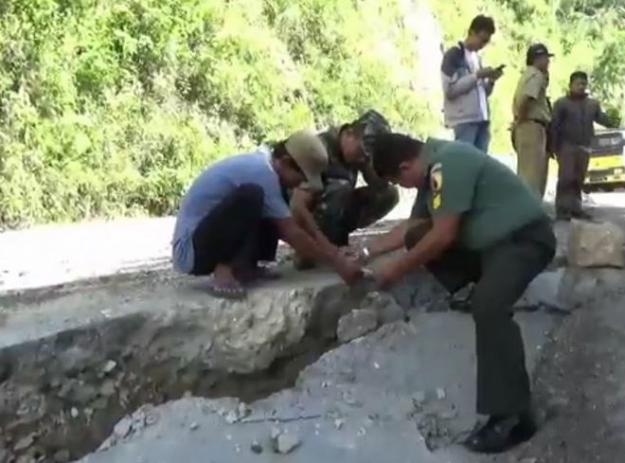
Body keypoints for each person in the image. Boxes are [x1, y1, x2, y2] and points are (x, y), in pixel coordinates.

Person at [357, 133, 556, 453]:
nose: (405, 188)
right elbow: (412, 229)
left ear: (406, 166)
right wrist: (364, 253)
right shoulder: (431, 172)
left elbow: (443, 236)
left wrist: (394, 271)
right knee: (419, 235)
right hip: (492, 248)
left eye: (399, 180)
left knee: (489, 307)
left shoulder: (449, 163)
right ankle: (479, 285)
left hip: (523, 239)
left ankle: (513, 417)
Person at [171, 131, 363, 298]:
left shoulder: (269, 169)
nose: (300, 185)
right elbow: (292, 234)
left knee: (273, 206)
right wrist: (338, 265)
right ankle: (223, 269)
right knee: (251, 196)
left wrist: (334, 253)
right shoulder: (261, 173)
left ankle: (246, 267)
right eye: (302, 178)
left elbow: (298, 225)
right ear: (287, 162)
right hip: (191, 251)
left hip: (204, 243)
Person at [289, 110, 399, 269]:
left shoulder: (357, 157)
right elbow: (297, 205)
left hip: (332, 211)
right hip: (303, 215)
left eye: (367, 156)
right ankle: (311, 250)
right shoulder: (319, 149)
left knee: (388, 194)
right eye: (362, 152)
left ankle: (337, 243)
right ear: (349, 134)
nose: (363, 158)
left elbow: (379, 185)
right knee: (340, 187)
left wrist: (367, 164)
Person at [551, 71, 618, 220]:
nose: (581, 87)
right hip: (566, 145)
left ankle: (576, 208)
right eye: (578, 84)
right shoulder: (561, 104)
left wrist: (612, 120)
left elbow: (601, 118)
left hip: (585, 146)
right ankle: (562, 210)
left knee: (578, 179)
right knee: (566, 178)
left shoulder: (592, 104)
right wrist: (553, 147)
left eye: (583, 84)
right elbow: (554, 126)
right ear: (570, 85)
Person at [441, 15, 504, 153]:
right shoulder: (454, 55)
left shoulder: (477, 58)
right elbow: (450, 90)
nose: (482, 45)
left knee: (480, 167)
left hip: (482, 120)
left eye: (486, 42)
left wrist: (491, 80)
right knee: (465, 164)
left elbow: (482, 93)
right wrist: (477, 75)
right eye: (482, 40)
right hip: (464, 121)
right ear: (472, 33)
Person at [512, 43, 554, 199]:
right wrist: (521, 120)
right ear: (537, 58)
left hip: (528, 125)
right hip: (531, 125)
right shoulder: (536, 75)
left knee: (528, 171)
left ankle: (530, 211)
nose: (548, 62)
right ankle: (530, 213)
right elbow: (526, 99)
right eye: (545, 58)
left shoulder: (527, 74)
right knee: (532, 174)